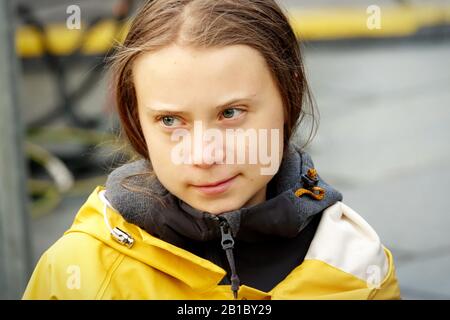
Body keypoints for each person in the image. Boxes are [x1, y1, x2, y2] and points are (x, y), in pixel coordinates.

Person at [23, 0, 401, 300]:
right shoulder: (78, 273)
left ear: (289, 95)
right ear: (136, 117)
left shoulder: (354, 261)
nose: (203, 155)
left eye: (230, 113)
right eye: (171, 120)